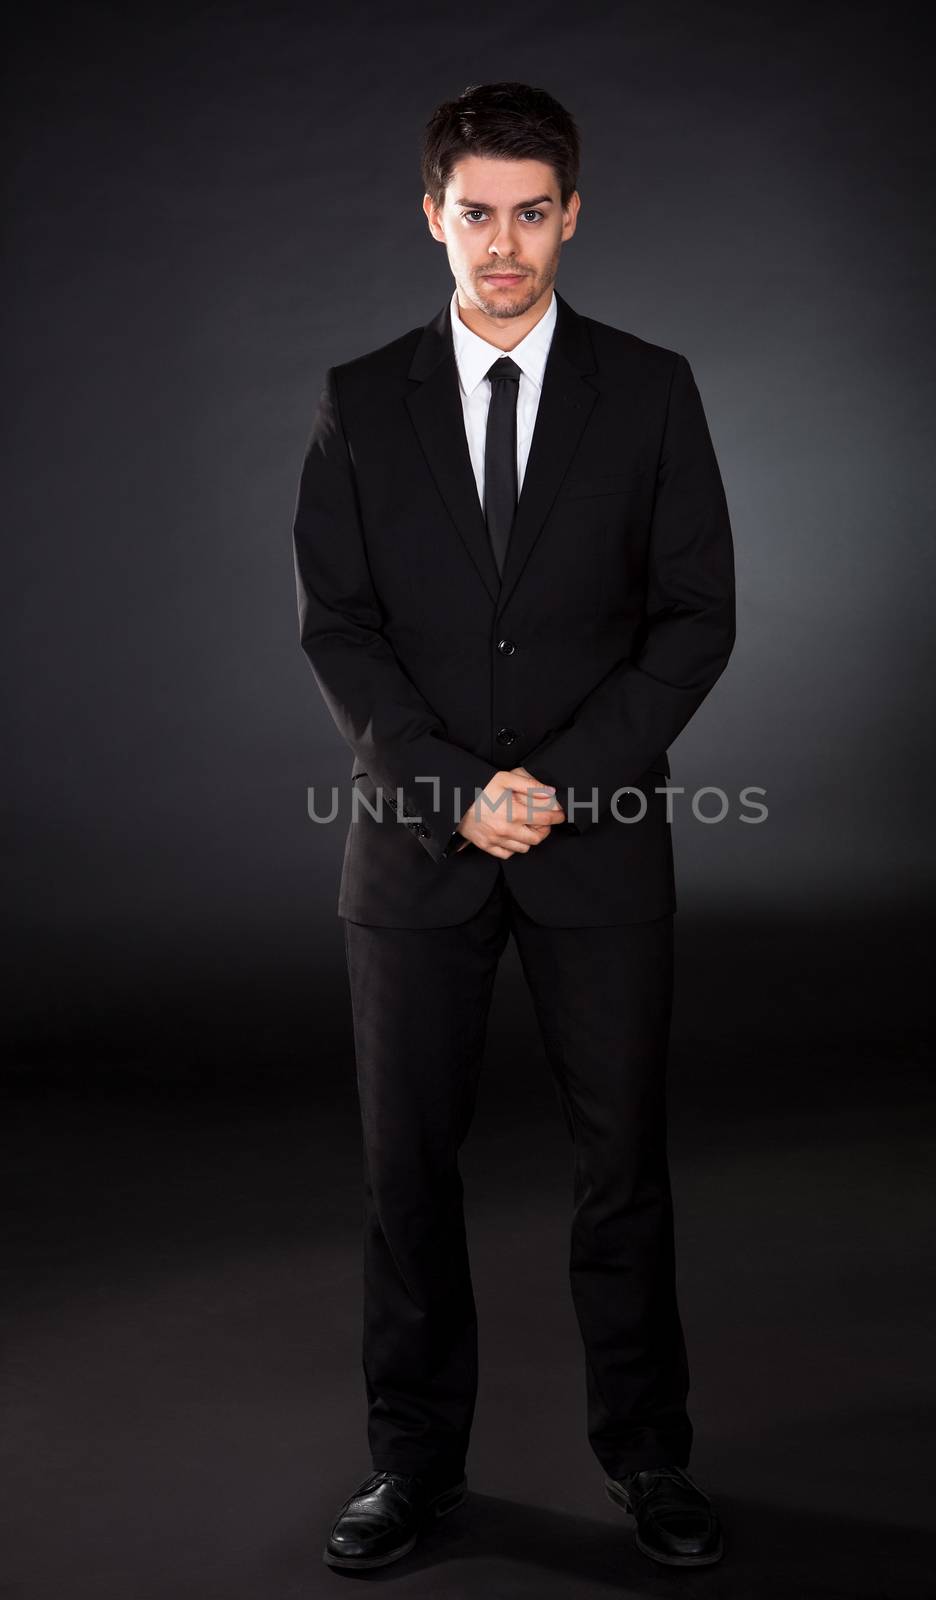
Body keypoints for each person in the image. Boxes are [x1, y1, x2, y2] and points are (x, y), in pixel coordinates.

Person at [292, 79, 735, 1572]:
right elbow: (340, 633)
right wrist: (453, 791)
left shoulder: (652, 389)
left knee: (624, 1166)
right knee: (404, 1170)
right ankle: (411, 1468)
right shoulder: (360, 401)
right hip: (413, 853)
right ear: (433, 216)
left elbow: (693, 621)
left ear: (571, 215)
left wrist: (554, 783)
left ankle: (650, 1458)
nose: (502, 243)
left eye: (530, 213)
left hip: (596, 843)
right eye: (473, 214)